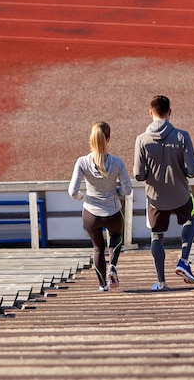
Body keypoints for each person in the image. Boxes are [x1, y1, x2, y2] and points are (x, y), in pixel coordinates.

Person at [133, 95, 194, 291]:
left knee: (156, 236)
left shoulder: (141, 140)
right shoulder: (182, 136)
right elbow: (193, 170)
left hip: (155, 199)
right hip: (180, 194)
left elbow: (138, 174)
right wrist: (186, 172)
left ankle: (161, 282)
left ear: (150, 113)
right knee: (190, 218)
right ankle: (183, 260)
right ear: (169, 112)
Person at [68, 121, 133, 291]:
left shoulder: (82, 162)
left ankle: (103, 285)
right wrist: (115, 192)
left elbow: (72, 191)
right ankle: (113, 266)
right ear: (108, 138)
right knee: (116, 238)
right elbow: (127, 189)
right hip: (112, 212)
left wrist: (83, 196)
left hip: (91, 213)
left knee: (97, 248)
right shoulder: (117, 162)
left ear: (91, 139)